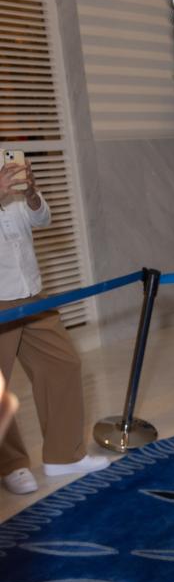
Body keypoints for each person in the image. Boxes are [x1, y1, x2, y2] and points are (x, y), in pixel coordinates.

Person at [0, 155, 108, 494]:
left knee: (62, 364)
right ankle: (11, 465)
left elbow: (42, 219)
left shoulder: (6, 163)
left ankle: (63, 455)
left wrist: (31, 194)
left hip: (31, 289)